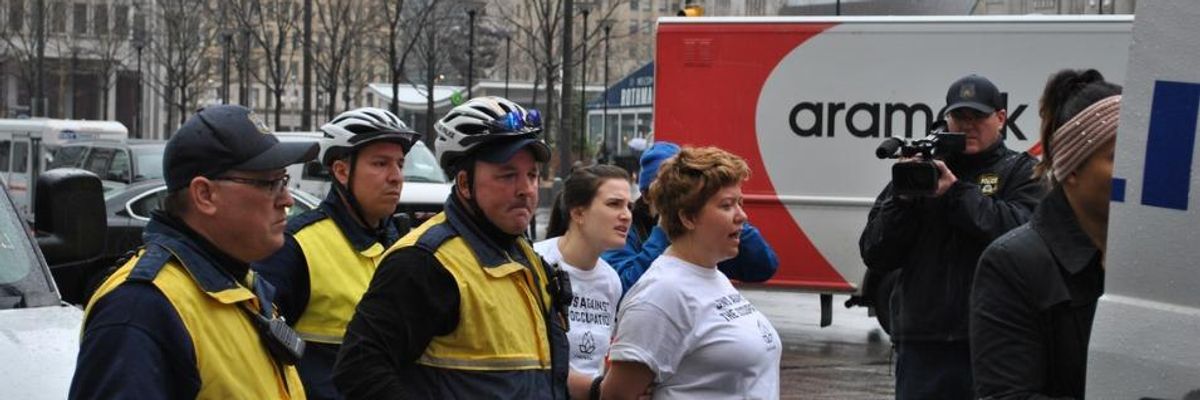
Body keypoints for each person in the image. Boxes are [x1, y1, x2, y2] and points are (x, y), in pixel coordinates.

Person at [69, 104, 318, 399]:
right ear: (205, 195)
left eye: (285, 181)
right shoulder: (141, 309)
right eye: (270, 184)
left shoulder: (239, 285)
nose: (287, 199)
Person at [334, 96, 570, 399]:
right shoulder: (424, 262)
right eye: (508, 175)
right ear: (464, 184)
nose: (526, 189)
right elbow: (359, 370)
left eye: (533, 175)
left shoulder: (525, 256)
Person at [858, 74, 1046, 399]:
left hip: (991, 343)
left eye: (978, 117)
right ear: (947, 118)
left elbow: (1021, 234)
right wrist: (903, 200)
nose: (967, 126)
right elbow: (875, 252)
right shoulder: (922, 171)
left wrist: (956, 193)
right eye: (960, 117)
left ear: (1001, 118)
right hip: (921, 344)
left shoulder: (1021, 171)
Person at [971, 70, 1122, 399]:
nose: (1133, 170)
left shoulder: (1150, 257)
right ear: (1073, 169)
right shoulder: (1012, 264)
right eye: (1116, 157)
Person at [254, 107, 420, 399]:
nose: (396, 177)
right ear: (342, 171)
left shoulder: (403, 244)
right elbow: (258, 350)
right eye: (381, 164)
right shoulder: (297, 246)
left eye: (400, 164)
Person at [596, 146, 782, 400]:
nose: (743, 215)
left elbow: (765, 264)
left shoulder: (712, 274)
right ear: (688, 218)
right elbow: (616, 395)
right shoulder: (661, 293)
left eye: (740, 203)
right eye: (727, 205)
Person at [602, 141, 778, 291]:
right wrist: (662, 233)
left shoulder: (701, 230)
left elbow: (763, 266)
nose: (675, 199)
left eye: (682, 192)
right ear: (647, 196)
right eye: (662, 191)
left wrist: (730, 219)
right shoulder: (625, 229)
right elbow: (623, 288)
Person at [535, 165, 632, 399]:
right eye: (614, 204)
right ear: (578, 213)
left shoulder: (610, 280)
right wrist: (600, 389)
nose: (627, 215)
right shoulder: (536, 263)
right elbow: (531, 366)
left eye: (629, 206)